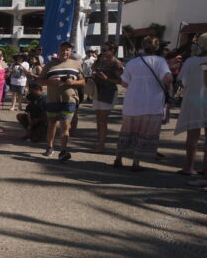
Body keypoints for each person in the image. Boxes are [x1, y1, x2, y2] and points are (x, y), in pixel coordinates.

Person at [113, 36, 172, 171]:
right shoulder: (160, 61)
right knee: (144, 133)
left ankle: (118, 158)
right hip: (151, 104)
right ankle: (136, 162)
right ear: (157, 47)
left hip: (132, 103)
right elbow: (167, 79)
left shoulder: (133, 63)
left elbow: (124, 83)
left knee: (127, 132)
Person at [38, 41, 86, 161]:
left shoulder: (76, 64)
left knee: (65, 126)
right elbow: (40, 81)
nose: (65, 52)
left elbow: (83, 82)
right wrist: (51, 82)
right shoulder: (50, 64)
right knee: (52, 124)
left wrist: (73, 82)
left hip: (70, 99)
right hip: (52, 100)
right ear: (58, 51)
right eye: (63, 50)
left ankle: (63, 151)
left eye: (67, 50)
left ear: (71, 51)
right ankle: (49, 147)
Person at [174, 33, 207, 185]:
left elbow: (182, 80)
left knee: (192, 135)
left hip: (194, 100)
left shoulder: (191, 61)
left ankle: (189, 166)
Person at [89, 42, 124, 153]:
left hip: (108, 92)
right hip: (98, 91)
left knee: (103, 120)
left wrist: (106, 78)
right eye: (102, 49)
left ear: (112, 50)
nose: (103, 51)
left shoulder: (116, 64)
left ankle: (101, 145)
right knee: (98, 119)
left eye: (105, 50)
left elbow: (122, 81)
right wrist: (94, 73)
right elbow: (93, 69)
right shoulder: (101, 60)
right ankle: (99, 143)